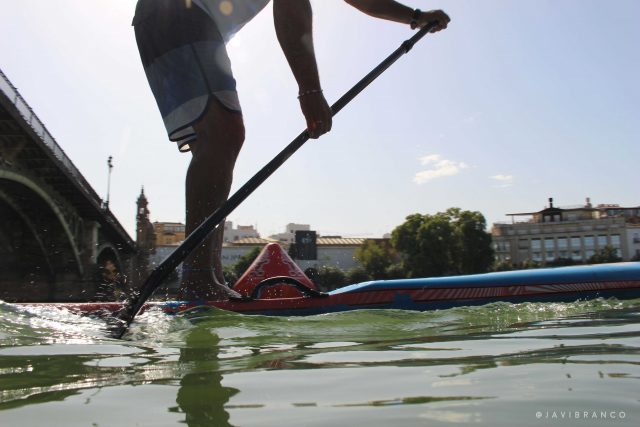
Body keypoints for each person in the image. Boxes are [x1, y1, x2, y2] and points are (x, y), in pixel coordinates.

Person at [132, 0, 450, 300]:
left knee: (218, 141)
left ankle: (207, 279)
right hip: (178, 12)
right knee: (223, 134)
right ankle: (198, 280)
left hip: (175, 20)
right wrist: (309, 89)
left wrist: (414, 17)